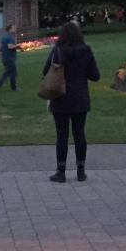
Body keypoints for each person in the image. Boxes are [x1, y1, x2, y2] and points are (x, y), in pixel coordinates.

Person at [42, 21, 100, 183]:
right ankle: (81, 170)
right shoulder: (86, 50)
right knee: (79, 133)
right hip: (80, 97)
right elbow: (95, 76)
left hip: (60, 96)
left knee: (62, 135)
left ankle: (61, 171)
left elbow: (45, 70)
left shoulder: (58, 50)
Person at [0, 24, 19, 91]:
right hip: (10, 58)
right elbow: (10, 46)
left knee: (7, 72)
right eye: (14, 28)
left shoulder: (4, 37)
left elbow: (1, 47)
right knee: (13, 73)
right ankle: (13, 88)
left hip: (4, 58)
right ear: (10, 29)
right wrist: (18, 46)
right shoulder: (10, 37)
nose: (15, 29)